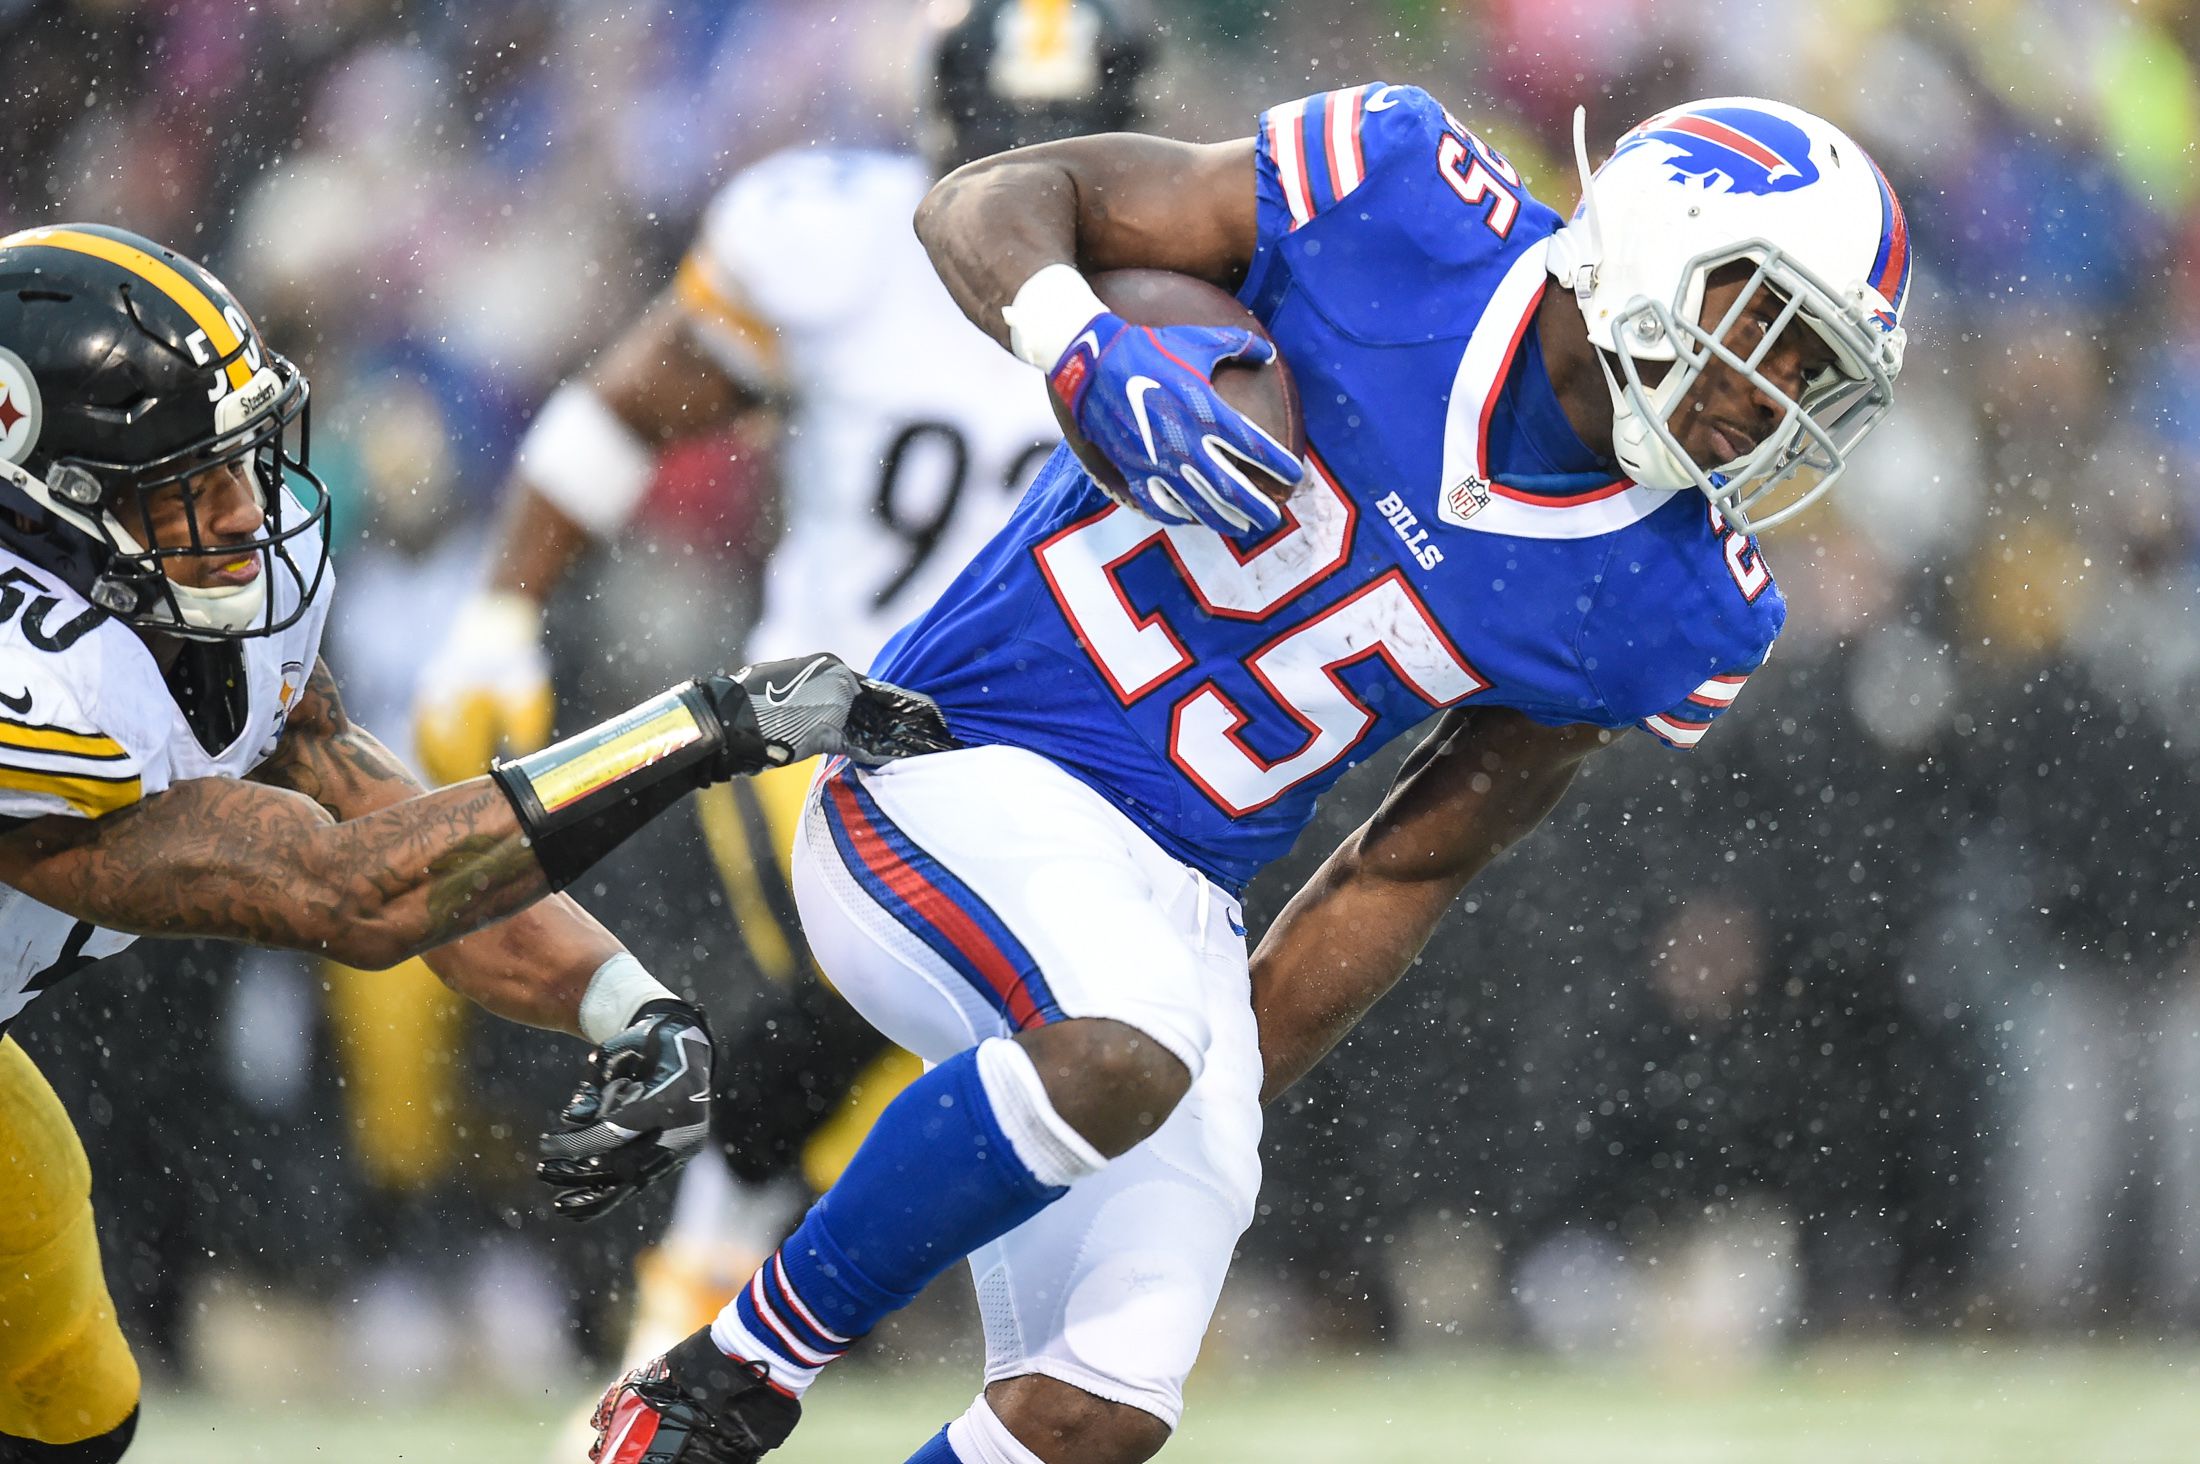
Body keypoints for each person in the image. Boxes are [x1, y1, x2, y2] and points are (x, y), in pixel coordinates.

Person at [591, 86, 1912, 1464]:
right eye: (1764, 326)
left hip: (1175, 902)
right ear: (1652, 240)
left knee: (1099, 1405)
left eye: (1812, 372)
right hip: (954, 763)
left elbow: (1409, 863)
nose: (1769, 396)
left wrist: (1208, 1094)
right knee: (1125, 1035)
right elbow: (982, 202)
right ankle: (721, 1382)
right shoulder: (1398, 195)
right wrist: (1079, 343)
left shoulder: (1682, 602)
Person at [0, 223, 944, 1463]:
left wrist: (625, 1006)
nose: (242, 510)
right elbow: (342, 894)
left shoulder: (194, 612)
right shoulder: (38, 683)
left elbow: (392, 828)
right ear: (47, 497)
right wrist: (706, 726)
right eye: (185, 480)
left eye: (236, 459)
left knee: (70, 1411)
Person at [408, 0, 1152, 1403]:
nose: (1030, 184)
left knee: (1034, 1047)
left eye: (1065, 148)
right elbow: (626, 408)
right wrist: (504, 608)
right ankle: (698, 1315)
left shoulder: (1201, 283)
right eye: (1008, 147)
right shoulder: (830, 240)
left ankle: (782, 1307)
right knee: (862, 1000)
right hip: (826, 718)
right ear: (941, 134)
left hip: (1066, 747)